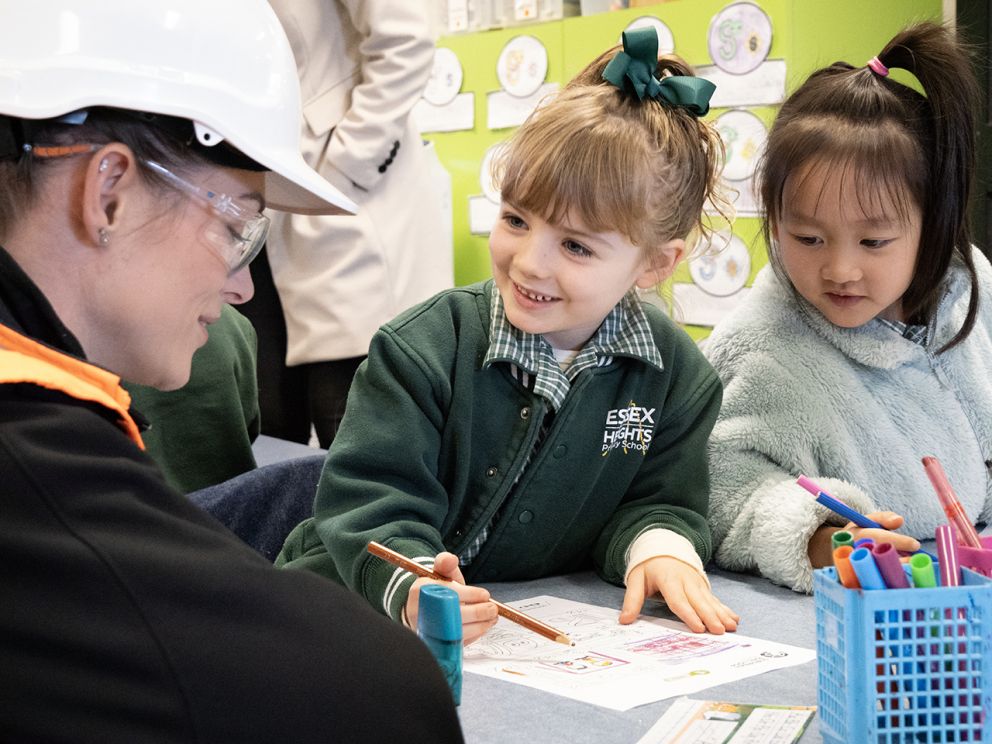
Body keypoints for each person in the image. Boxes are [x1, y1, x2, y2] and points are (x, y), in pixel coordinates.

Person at [0, 1, 464, 741]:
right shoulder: (29, 454)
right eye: (234, 224)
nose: (244, 287)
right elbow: (384, 697)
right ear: (109, 193)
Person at [279, 29, 740, 643]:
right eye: (515, 219)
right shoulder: (423, 349)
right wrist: (416, 585)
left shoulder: (676, 376)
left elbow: (659, 499)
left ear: (655, 263)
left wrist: (659, 547)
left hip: (527, 636)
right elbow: (368, 502)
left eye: (575, 245)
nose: (528, 262)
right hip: (347, 615)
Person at [704, 22, 992, 594]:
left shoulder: (970, 287)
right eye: (808, 238)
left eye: (874, 242)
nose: (840, 270)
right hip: (870, 610)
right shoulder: (761, 350)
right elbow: (720, 488)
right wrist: (821, 537)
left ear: (932, 223)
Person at [243, 0, 454, 448]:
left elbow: (406, 42)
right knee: (267, 435)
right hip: (251, 205)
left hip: (339, 209)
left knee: (358, 442)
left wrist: (342, 172)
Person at [124, 305, 261, 493]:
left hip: (129, 509)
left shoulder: (87, 331)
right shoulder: (231, 323)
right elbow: (247, 426)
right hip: (232, 506)